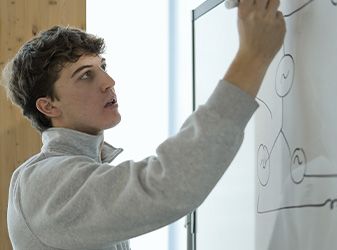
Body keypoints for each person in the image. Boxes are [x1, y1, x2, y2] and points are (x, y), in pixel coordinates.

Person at [2, 0, 285, 249]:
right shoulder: (42, 183)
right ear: (49, 106)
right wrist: (252, 57)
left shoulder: (84, 169)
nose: (108, 82)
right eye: (86, 76)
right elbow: (168, 184)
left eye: (103, 67)